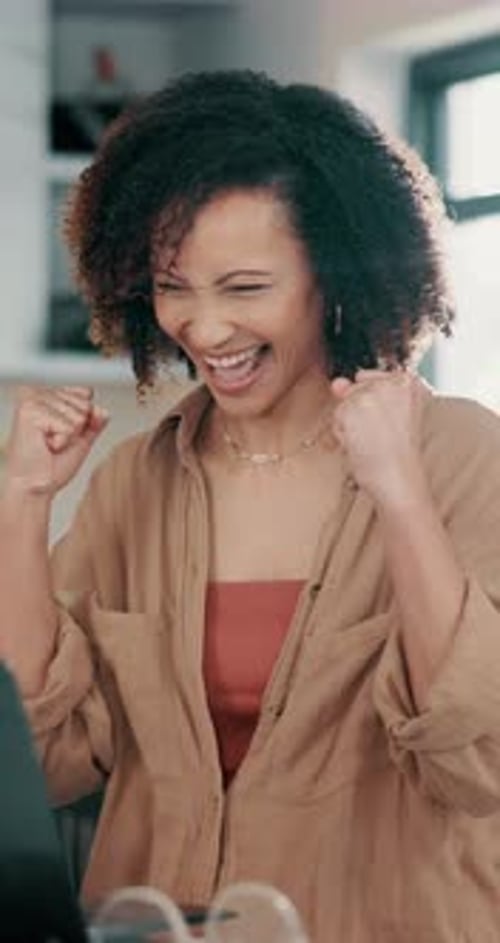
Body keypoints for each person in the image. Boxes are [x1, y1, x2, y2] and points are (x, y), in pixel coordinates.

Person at [1, 69, 500, 943]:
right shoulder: (134, 482)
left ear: (335, 276)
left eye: (244, 288)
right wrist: (20, 502)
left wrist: (399, 492)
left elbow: (482, 761)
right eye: (172, 286)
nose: (203, 327)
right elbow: (45, 761)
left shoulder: (465, 457)